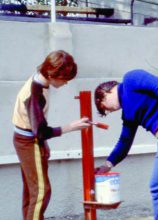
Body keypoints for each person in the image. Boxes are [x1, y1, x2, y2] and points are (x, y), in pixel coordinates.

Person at [94, 69, 158, 220]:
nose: (108, 111)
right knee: (157, 186)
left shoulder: (131, 79)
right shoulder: (128, 114)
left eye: (104, 106)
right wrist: (108, 164)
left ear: (107, 92)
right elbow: (125, 141)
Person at [12, 50, 91, 220]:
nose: (66, 83)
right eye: (65, 79)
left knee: (31, 190)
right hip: (28, 141)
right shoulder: (35, 93)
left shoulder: (40, 81)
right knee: (41, 191)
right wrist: (71, 126)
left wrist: (43, 144)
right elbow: (40, 131)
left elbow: (37, 124)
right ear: (53, 74)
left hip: (29, 139)